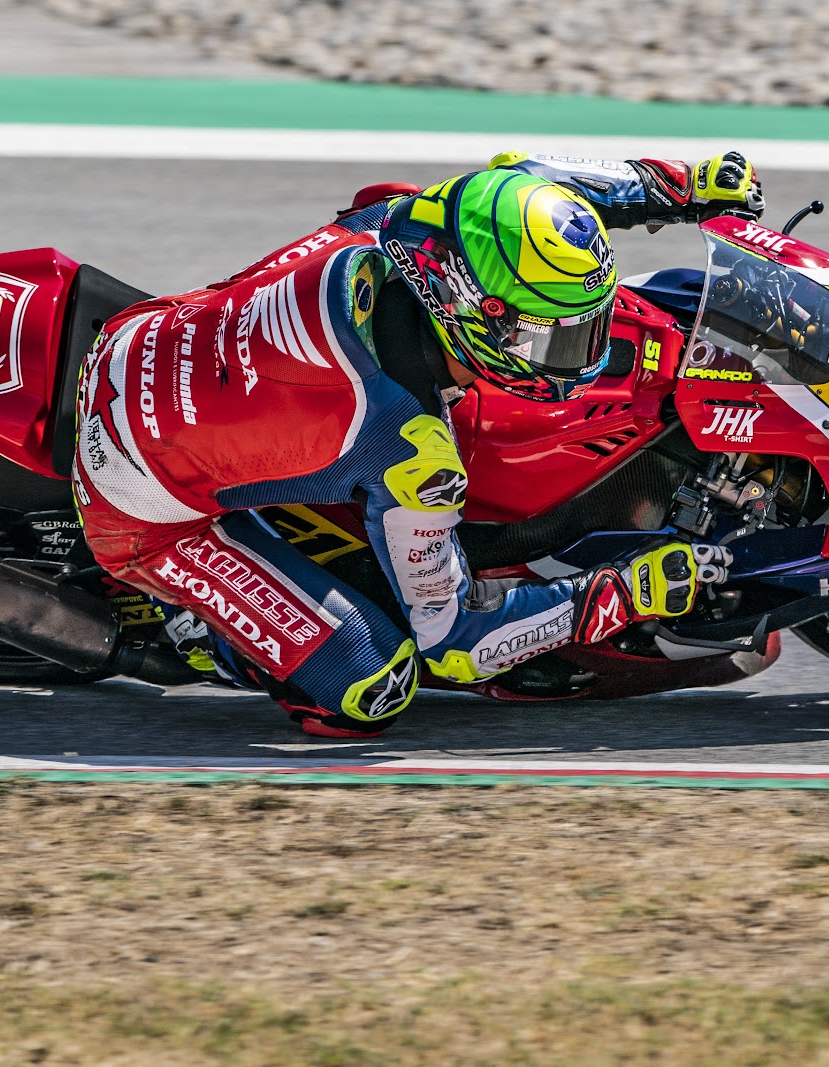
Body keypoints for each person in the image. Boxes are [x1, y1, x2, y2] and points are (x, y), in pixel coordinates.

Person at [72, 150, 764, 737]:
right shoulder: (411, 449)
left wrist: (680, 185)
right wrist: (624, 592)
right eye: (554, 337)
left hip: (149, 335)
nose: (583, 355)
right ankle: (193, 629)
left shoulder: (393, 222)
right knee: (371, 686)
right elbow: (456, 643)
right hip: (136, 497)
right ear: (471, 313)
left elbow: (524, 180)